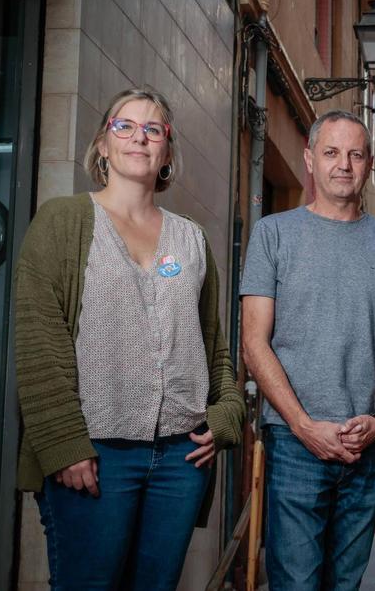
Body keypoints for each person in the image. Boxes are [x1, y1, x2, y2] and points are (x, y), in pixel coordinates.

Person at [14, 88, 245, 588]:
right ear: (102, 144)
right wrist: (65, 444)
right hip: (95, 454)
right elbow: (39, 341)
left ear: (166, 151)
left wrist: (226, 415)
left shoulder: (192, 238)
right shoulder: (63, 221)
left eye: (153, 129)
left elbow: (213, 346)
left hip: (182, 460)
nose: (138, 138)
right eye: (125, 126)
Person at [240, 109, 375, 590]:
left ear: (367, 165)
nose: (344, 164)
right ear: (310, 160)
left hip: (367, 447)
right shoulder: (273, 234)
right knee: (296, 584)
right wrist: (303, 426)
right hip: (295, 444)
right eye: (332, 153)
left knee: (345, 584)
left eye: (355, 154)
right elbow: (253, 342)